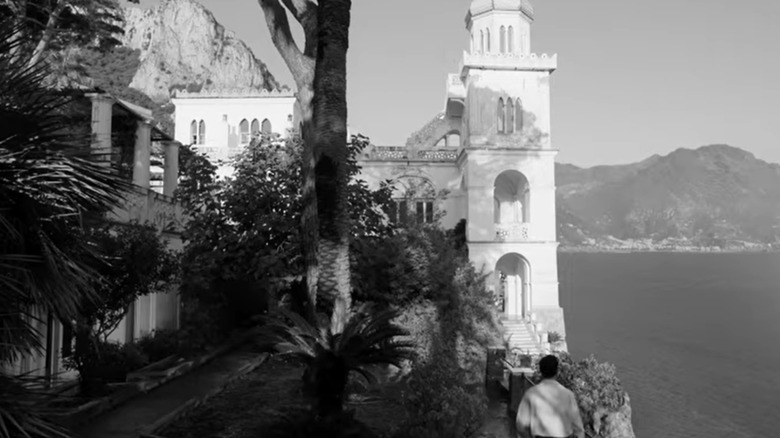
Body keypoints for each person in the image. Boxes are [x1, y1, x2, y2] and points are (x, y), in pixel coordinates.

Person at [516, 355, 585, 438]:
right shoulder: (568, 395)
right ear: (557, 371)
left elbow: (520, 426)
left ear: (540, 371)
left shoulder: (531, 394)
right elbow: (578, 428)